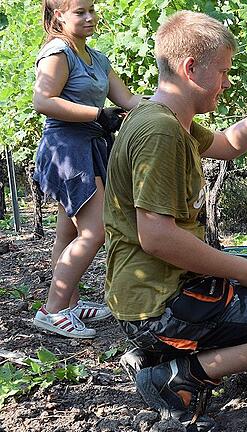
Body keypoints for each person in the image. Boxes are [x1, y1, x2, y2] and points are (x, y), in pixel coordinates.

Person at [103, 11, 247, 430]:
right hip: (158, 306)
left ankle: (161, 354)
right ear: (192, 68)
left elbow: (229, 144)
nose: (227, 83)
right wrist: (246, 270)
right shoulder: (160, 133)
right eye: (222, 72)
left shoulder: (168, 120)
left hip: (146, 294)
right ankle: (179, 375)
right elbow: (157, 238)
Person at [32, 0, 142, 338]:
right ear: (59, 15)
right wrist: (98, 115)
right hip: (67, 149)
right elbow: (43, 101)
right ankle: (52, 310)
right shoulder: (57, 52)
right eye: (81, 12)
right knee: (95, 231)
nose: (90, 17)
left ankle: (69, 303)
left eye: (92, 9)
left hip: (90, 146)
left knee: (68, 232)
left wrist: (170, 104)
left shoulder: (96, 58)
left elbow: (128, 99)